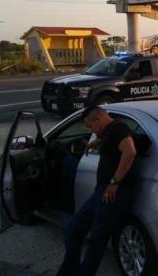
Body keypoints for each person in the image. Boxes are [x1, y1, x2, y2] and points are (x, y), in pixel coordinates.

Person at [57, 106, 137, 276]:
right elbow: (112, 141)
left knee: (97, 238)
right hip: (102, 191)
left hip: (114, 192)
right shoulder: (109, 131)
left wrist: (115, 182)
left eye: (89, 126)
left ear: (98, 120)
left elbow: (129, 152)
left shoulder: (118, 128)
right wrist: (97, 142)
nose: (89, 130)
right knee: (74, 228)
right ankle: (69, 269)